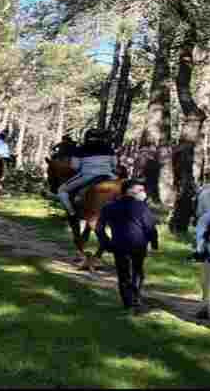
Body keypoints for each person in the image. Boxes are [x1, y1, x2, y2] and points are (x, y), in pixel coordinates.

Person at [96, 179, 158, 312]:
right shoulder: (142, 207)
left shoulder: (109, 206)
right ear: (130, 191)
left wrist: (106, 243)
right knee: (137, 271)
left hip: (118, 245)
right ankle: (135, 298)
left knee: (123, 274)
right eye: (140, 190)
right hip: (139, 245)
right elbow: (150, 227)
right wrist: (153, 244)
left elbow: (99, 228)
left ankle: (128, 302)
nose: (144, 193)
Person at [57, 129, 117, 217]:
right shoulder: (109, 149)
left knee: (61, 190)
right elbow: (114, 164)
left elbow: (75, 167)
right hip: (108, 175)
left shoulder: (79, 149)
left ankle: (72, 213)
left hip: (86, 176)